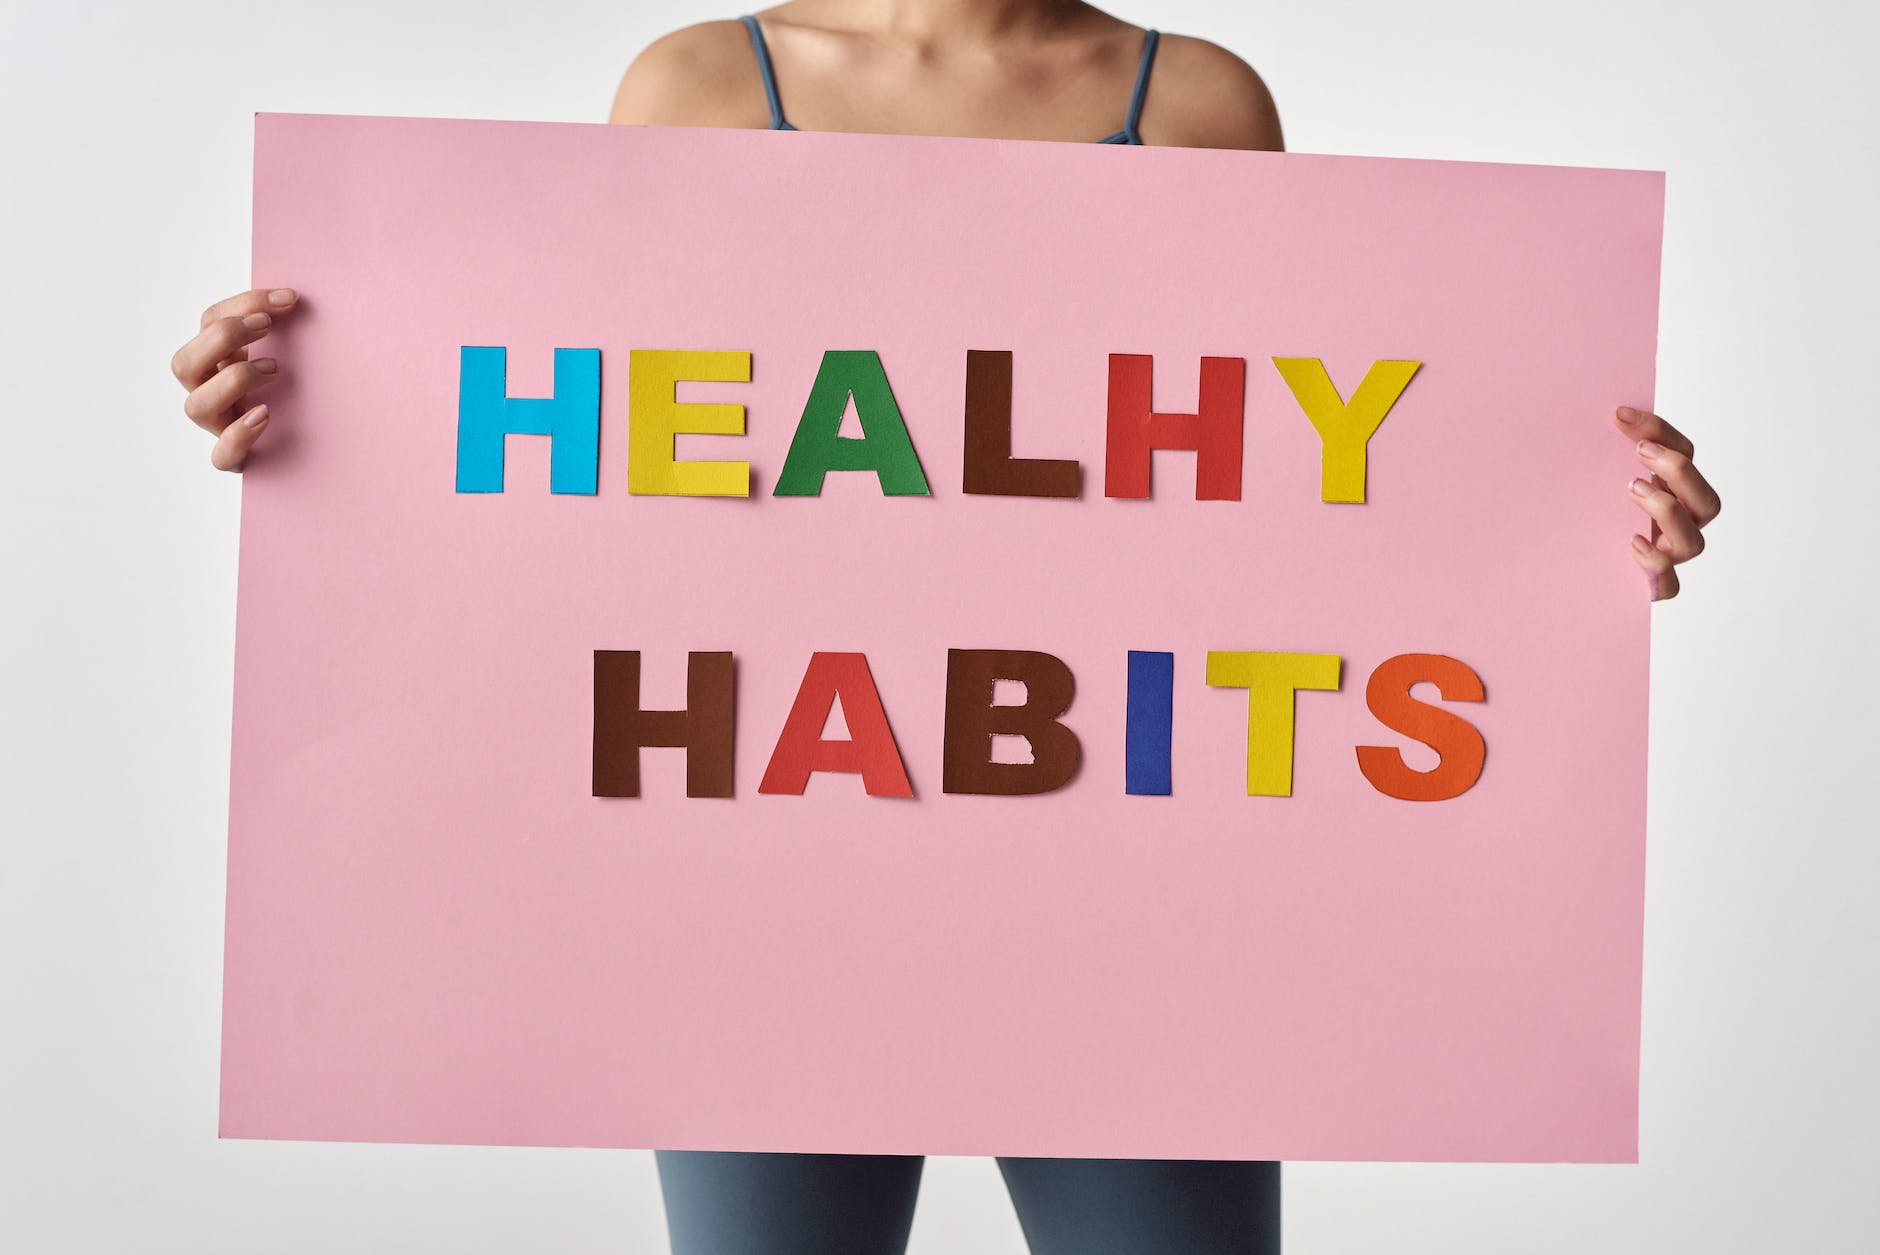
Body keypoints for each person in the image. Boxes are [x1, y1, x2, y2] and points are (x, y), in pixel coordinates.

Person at [168, 4, 1723, 1252]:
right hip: (774, 846)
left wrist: (1564, 537)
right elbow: (614, 463)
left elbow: (1275, 480)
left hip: (1122, 845)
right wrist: (335, 406)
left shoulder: (1196, 99)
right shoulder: (701, 82)